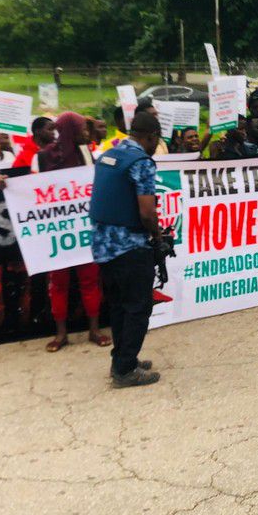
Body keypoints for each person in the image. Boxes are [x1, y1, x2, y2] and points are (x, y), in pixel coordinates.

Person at [90, 111, 163, 388]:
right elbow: (147, 212)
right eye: (156, 140)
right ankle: (125, 369)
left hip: (102, 245)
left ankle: (121, 359)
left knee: (119, 306)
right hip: (129, 246)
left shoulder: (110, 155)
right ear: (151, 136)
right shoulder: (142, 162)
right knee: (138, 307)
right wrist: (156, 235)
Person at [37, 112, 109, 353]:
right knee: (58, 283)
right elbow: (31, 189)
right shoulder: (42, 157)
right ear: (70, 131)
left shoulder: (87, 153)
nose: (87, 134)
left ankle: (94, 329)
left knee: (90, 280)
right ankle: (61, 333)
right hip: (58, 232)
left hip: (84, 229)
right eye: (82, 130)